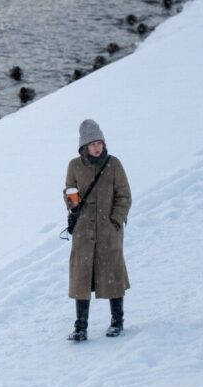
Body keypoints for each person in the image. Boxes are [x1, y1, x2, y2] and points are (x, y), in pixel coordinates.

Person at [64, 119, 132, 341]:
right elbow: (68, 192)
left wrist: (115, 220)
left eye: (99, 142)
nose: (96, 147)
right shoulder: (74, 165)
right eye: (92, 144)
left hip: (108, 231)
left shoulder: (114, 164)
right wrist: (71, 201)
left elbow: (124, 195)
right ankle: (80, 327)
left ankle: (117, 322)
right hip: (84, 231)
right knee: (81, 278)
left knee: (113, 274)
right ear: (84, 146)